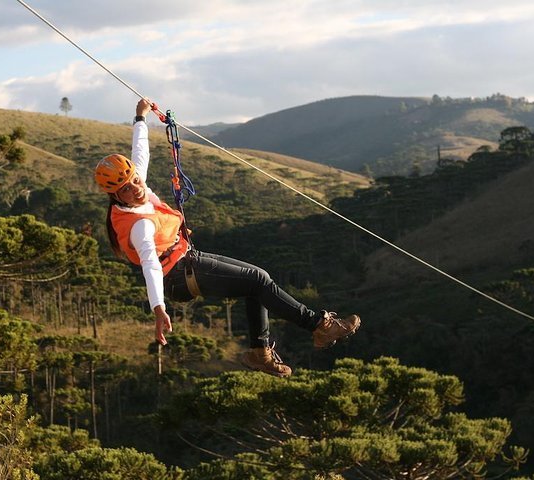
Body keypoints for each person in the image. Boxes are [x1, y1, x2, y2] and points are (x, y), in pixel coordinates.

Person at [94, 98, 360, 377]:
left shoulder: (137, 187)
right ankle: (319, 327)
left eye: (135, 181)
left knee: (257, 280)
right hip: (177, 278)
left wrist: (140, 118)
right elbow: (149, 264)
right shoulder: (138, 226)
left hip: (186, 260)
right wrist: (158, 308)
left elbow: (140, 154)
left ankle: (261, 353)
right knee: (257, 281)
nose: (135, 189)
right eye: (126, 189)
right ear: (114, 196)